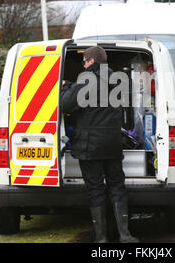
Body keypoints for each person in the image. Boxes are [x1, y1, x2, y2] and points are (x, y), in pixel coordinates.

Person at [60, 46, 138, 243]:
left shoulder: (86, 80)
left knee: (95, 190)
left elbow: (65, 104)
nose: (83, 66)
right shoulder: (117, 80)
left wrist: (66, 86)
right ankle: (125, 235)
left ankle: (102, 238)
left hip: (89, 147)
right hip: (112, 144)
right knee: (117, 187)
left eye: (84, 62)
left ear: (91, 61)